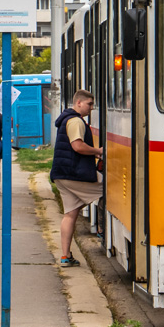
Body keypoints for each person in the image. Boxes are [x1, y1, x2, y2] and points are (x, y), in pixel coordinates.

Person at [50, 89, 102, 267]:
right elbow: (78, 146)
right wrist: (99, 151)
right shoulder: (76, 121)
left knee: (70, 214)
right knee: (111, 190)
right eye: (89, 104)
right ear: (78, 103)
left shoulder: (66, 119)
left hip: (61, 174)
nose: (91, 108)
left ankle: (65, 256)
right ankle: (102, 229)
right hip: (74, 174)